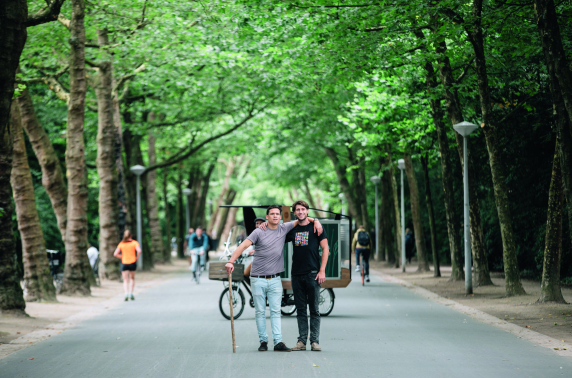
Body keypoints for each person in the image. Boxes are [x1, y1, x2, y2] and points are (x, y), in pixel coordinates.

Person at [225, 205, 322, 352]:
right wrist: (231, 261)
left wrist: (316, 220)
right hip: (258, 278)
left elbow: (302, 217)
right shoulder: (259, 231)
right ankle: (263, 341)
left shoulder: (284, 228)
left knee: (276, 311)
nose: (275, 216)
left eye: (277, 214)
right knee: (260, 311)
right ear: (267, 217)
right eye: (272, 214)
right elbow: (243, 246)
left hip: (275, 279)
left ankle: (278, 342)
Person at [286, 200, 329, 352]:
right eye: (297, 210)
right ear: (295, 212)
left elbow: (325, 248)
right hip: (296, 274)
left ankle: (315, 342)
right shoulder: (292, 229)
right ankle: (301, 341)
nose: (300, 212)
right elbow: (275, 233)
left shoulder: (316, 228)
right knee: (301, 309)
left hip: (313, 274)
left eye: (303, 209)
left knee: (315, 310)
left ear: (307, 211)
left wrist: (322, 270)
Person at [113, 230, 141, 301]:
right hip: (132, 262)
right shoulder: (134, 243)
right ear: (131, 236)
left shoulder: (121, 244)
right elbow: (139, 251)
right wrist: (137, 257)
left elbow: (115, 254)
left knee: (125, 280)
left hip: (124, 263)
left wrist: (122, 256)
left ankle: (126, 293)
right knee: (132, 278)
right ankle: (131, 293)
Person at [243, 217, 266, 286]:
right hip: (257, 260)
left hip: (263, 261)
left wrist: (255, 250)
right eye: (257, 223)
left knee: (248, 275)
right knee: (245, 274)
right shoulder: (256, 233)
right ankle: (253, 289)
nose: (258, 225)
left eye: (260, 223)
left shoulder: (265, 233)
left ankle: (255, 290)